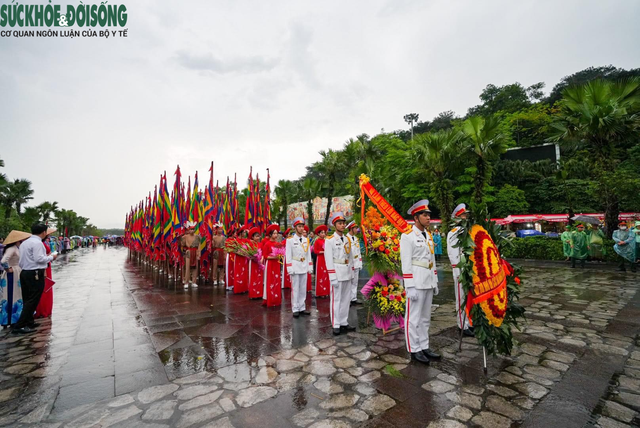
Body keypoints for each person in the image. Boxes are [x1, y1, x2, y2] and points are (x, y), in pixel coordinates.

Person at [401, 199, 441, 364]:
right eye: (425, 215)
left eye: (429, 215)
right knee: (413, 317)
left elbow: (432, 260)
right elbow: (406, 262)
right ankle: (414, 349)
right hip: (416, 282)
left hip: (428, 280)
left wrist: (435, 281)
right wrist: (409, 284)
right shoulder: (407, 236)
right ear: (416, 218)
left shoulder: (429, 236)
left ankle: (424, 345)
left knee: (425, 317)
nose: (428, 218)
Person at [14, 223, 58, 334]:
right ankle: (20, 325)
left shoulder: (25, 242)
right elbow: (39, 259)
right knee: (33, 300)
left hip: (25, 272)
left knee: (27, 298)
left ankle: (29, 321)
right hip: (35, 273)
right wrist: (51, 257)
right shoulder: (37, 243)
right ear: (43, 232)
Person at [325, 212, 356, 335]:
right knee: (336, 299)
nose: (343, 225)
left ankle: (344, 321)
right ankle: (336, 323)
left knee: (346, 299)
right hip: (337, 272)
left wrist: (352, 272)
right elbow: (328, 260)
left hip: (347, 271)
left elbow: (351, 257)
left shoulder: (347, 239)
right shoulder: (330, 240)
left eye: (343, 223)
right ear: (334, 225)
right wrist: (332, 276)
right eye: (340, 223)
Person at [447, 203, 473, 337]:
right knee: (461, 298)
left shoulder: (467, 231)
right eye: (463, 215)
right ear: (457, 217)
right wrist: (459, 272)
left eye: (466, 215)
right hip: (460, 270)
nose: (466, 217)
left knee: (469, 298)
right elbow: (453, 255)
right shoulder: (453, 233)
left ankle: (469, 322)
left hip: (469, 270)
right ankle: (462, 325)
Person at [1, 230, 31, 328]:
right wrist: (7, 268)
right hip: (12, 274)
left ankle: (15, 319)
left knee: (17, 295)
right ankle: (11, 319)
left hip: (17, 273)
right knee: (12, 296)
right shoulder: (12, 248)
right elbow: (4, 260)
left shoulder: (17, 247)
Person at [286, 217, 313, 318]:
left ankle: (302, 307)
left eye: (302, 226)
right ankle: (295, 308)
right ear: (295, 228)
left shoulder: (306, 240)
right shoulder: (290, 241)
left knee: (303, 288)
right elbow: (288, 255)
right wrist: (289, 268)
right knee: (295, 288)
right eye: (299, 226)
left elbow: (308, 254)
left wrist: (310, 266)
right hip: (295, 266)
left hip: (304, 266)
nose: (302, 228)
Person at [35, 228, 57, 318]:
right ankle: (43, 309)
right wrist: (50, 256)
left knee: (46, 288)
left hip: (47, 265)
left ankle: (45, 309)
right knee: (45, 288)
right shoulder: (40, 244)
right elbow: (40, 258)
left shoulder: (42, 243)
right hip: (44, 267)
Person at [262, 224, 283, 307]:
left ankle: (276, 299)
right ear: (270, 234)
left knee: (277, 281)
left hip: (276, 264)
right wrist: (273, 257)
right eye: (274, 233)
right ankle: (270, 299)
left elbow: (281, 253)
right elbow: (265, 256)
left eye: (276, 233)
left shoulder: (278, 244)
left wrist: (281, 256)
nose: (276, 235)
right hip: (270, 264)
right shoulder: (267, 244)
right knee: (270, 281)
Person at [180, 221, 202, 289]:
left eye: (193, 229)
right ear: (188, 230)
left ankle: (194, 282)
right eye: (191, 229)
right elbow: (182, 244)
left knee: (195, 268)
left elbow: (199, 246)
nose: (192, 230)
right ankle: (186, 282)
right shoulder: (185, 237)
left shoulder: (197, 237)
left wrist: (199, 254)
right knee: (187, 268)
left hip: (195, 252)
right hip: (189, 252)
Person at [346, 221, 363, 305]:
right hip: (349, 264)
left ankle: (354, 298)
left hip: (356, 262)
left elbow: (358, 251)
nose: (357, 230)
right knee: (349, 281)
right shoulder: (346, 238)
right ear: (351, 229)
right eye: (355, 228)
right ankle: (348, 299)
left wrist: (360, 262)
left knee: (355, 281)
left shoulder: (356, 239)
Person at [313, 225, 330, 298]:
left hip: (326, 259)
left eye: (324, 232)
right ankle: (320, 292)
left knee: (326, 274)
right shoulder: (317, 241)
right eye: (322, 233)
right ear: (318, 234)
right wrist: (322, 252)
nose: (323, 234)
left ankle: (326, 291)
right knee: (320, 275)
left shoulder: (327, 241)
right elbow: (315, 251)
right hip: (320, 259)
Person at [248, 227, 264, 299]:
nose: (258, 238)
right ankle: (253, 294)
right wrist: (254, 258)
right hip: (253, 263)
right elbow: (248, 254)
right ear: (252, 237)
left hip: (260, 263)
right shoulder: (250, 244)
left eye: (259, 236)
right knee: (253, 278)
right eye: (256, 236)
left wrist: (261, 260)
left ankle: (259, 293)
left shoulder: (260, 244)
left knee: (260, 277)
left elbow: (263, 253)